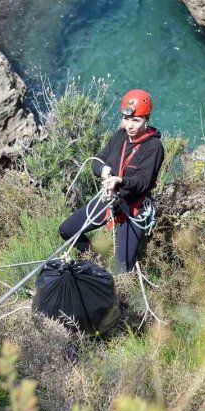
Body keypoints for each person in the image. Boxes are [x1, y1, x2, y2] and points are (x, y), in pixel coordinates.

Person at [59, 89, 165, 273]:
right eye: (126, 119)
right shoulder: (120, 136)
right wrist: (103, 169)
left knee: (121, 270)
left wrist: (120, 181)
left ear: (146, 119)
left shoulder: (153, 146)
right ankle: (97, 261)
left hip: (133, 209)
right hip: (109, 200)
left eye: (136, 120)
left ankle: (118, 285)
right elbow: (98, 160)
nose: (129, 125)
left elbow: (143, 181)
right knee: (68, 230)